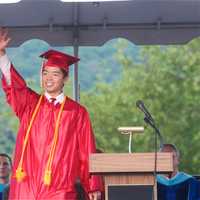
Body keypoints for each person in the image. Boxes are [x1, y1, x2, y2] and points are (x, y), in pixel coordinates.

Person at [0, 28, 102, 200]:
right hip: (27, 188)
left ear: (65, 78)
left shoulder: (77, 112)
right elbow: (14, 85)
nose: (49, 78)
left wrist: (93, 187)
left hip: (59, 187)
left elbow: (86, 151)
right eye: (45, 73)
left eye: (55, 74)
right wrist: (2, 55)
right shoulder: (30, 104)